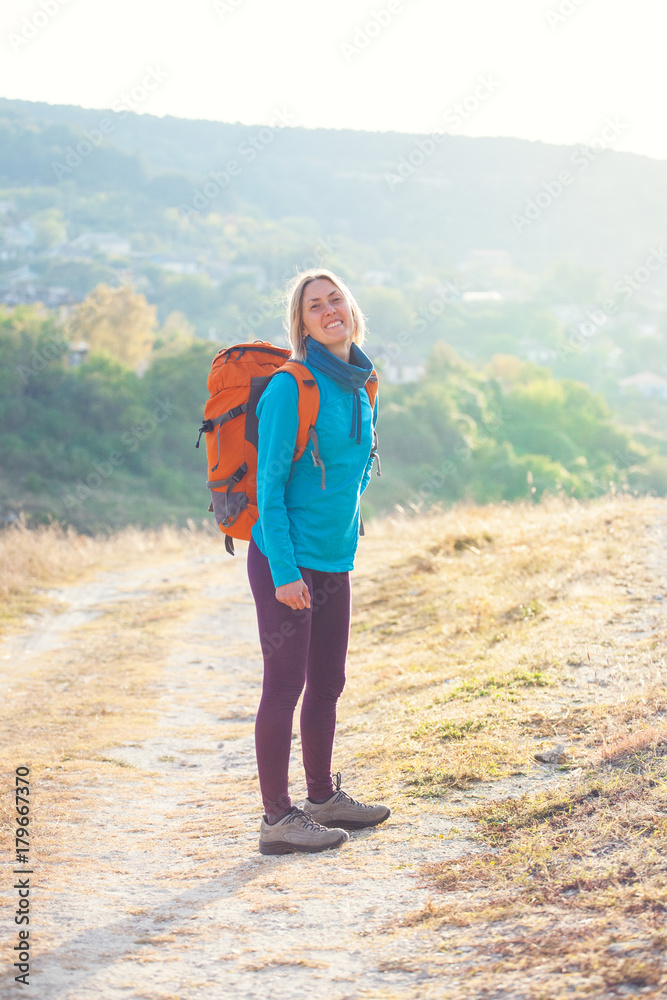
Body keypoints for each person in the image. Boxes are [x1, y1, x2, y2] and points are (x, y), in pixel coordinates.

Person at [247, 268, 390, 855]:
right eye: (315, 306)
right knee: (286, 686)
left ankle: (323, 798)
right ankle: (277, 820)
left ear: (352, 309)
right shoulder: (291, 387)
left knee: (329, 681)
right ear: (301, 324)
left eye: (336, 300)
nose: (329, 310)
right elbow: (270, 485)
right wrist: (284, 572)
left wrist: (345, 548)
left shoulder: (360, 383)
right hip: (287, 559)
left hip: (333, 559)